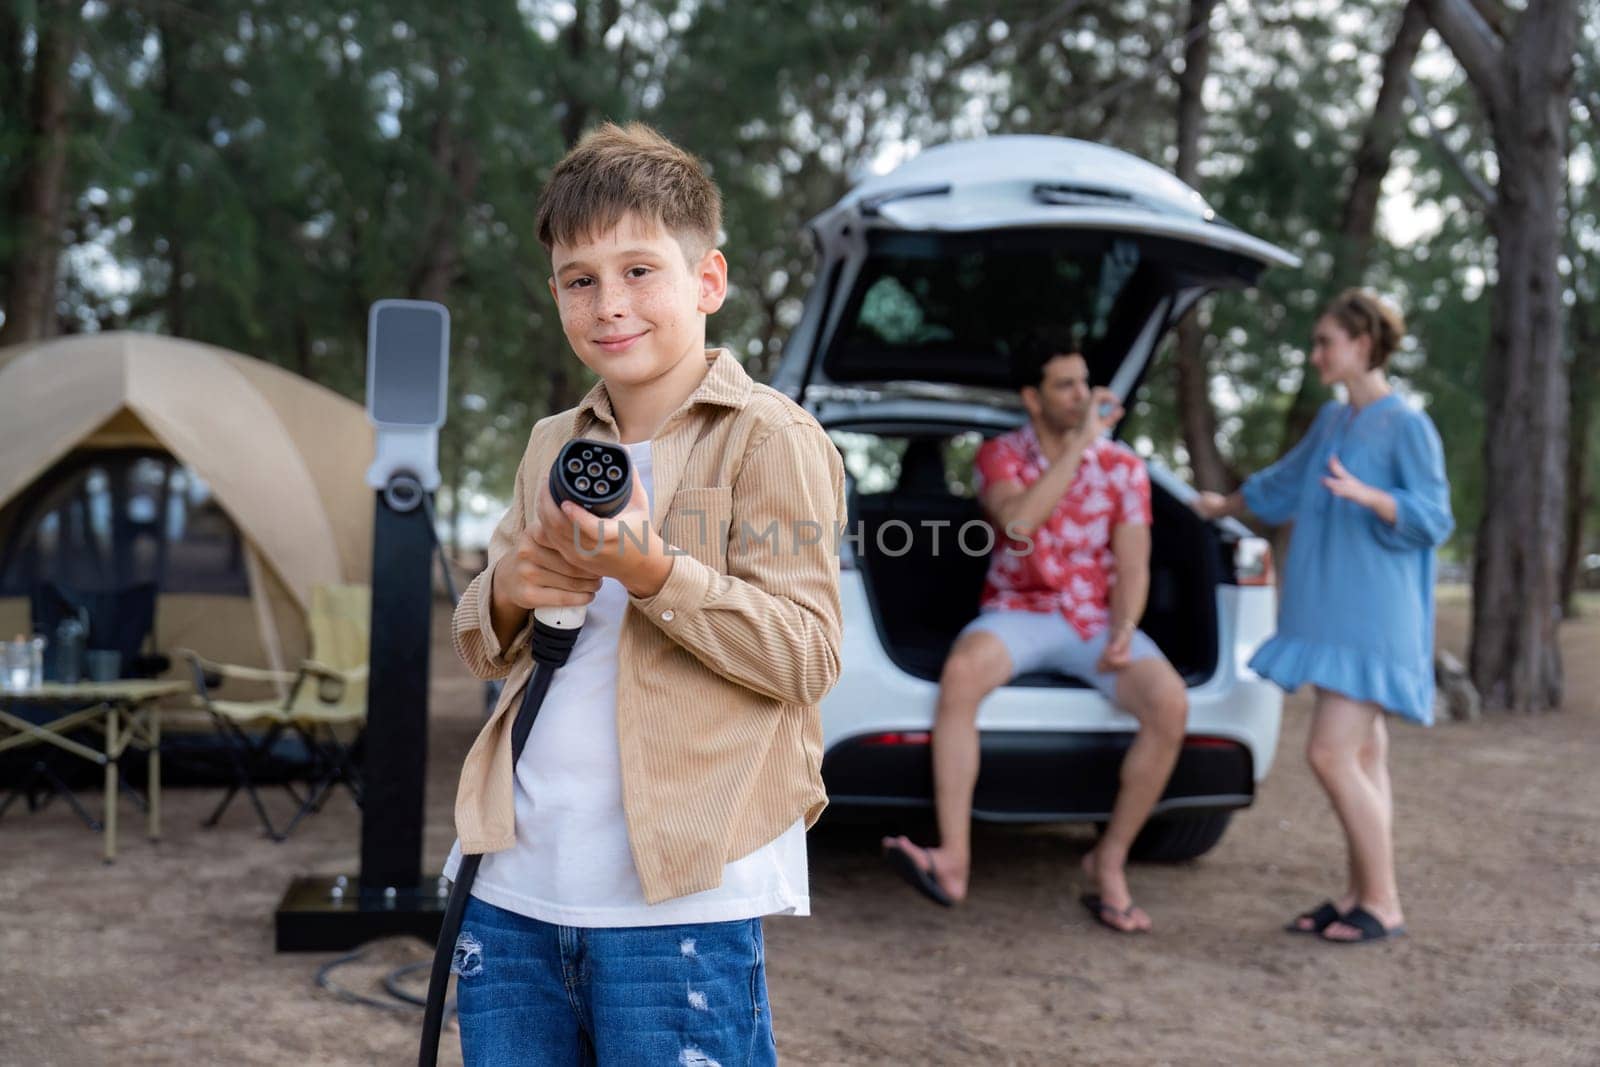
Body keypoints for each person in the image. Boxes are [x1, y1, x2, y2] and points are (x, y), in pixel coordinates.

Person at [443, 122, 844, 1064]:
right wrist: (506, 588)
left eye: (638, 271)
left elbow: (808, 654)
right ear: (556, 298)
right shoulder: (552, 441)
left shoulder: (771, 439)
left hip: (678, 900)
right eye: (580, 279)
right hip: (511, 884)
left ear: (707, 280)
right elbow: (483, 641)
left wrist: (654, 573)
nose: (608, 303)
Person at [882, 338, 1190, 934]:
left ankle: (1110, 862)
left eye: (1085, 383)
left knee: (1170, 703)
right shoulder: (1000, 455)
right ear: (1033, 397)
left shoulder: (1124, 468)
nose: (1083, 396)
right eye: (1066, 386)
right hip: (1019, 609)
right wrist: (1077, 447)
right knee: (962, 674)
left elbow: (1133, 565)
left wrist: (1125, 629)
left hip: (1095, 619)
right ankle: (953, 859)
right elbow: (1019, 522)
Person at [1194, 289, 1453, 945]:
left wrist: (1370, 495)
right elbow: (1282, 484)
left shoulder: (1408, 426)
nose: (1315, 355)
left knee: (1329, 751)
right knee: (1364, 754)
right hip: (1329, 609)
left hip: (1374, 617)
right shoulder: (1333, 423)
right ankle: (1360, 892)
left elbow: (1434, 518)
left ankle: (1385, 903)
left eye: (1325, 342)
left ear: (1361, 345)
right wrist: (1219, 503)